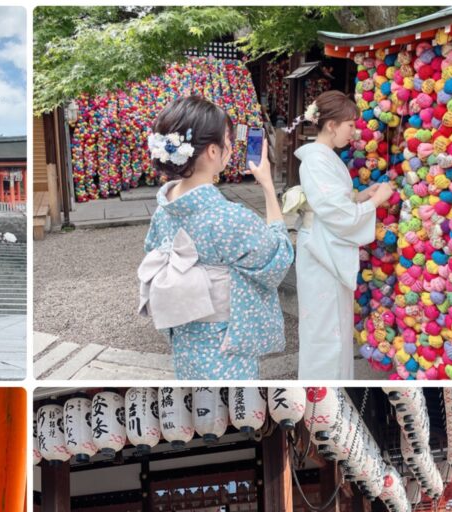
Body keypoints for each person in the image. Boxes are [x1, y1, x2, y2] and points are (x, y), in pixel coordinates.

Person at [143, 96, 294, 379]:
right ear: (213, 150)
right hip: (226, 347)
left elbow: (151, 251)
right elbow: (279, 259)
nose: (230, 147)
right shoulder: (229, 218)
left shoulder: (163, 211)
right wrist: (268, 187)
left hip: (185, 339)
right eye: (227, 140)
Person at [292, 90, 394, 380]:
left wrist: (362, 196)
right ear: (332, 125)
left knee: (333, 328)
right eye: (350, 125)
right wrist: (374, 202)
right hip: (321, 251)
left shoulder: (324, 157)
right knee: (324, 331)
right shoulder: (316, 160)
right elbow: (336, 212)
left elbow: (337, 202)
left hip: (327, 244)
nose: (354, 131)